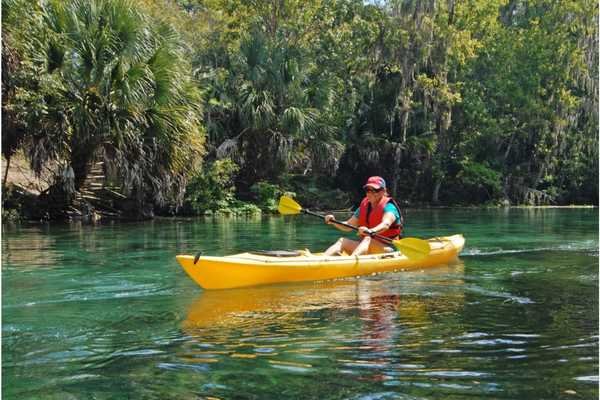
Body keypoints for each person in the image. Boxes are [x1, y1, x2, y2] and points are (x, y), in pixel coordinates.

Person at [324, 176, 403, 256]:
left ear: (383, 191)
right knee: (342, 241)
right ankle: (321, 260)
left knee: (367, 238)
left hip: (389, 249)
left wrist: (371, 231)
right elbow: (348, 225)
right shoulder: (364, 206)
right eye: (368, 190)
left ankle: (351, 262)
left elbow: (385, 224)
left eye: (375, 190)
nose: (370, 193)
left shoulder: (389, 207)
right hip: (366, 245)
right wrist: (334, 222)